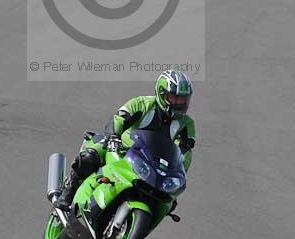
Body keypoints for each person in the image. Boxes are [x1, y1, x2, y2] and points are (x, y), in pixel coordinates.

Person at [54, 70, 196, 210]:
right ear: (161, 93)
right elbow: (118, 119)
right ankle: (69, 190)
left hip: (151, 166)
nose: (179, 103)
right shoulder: (142, 104)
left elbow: (185, 153)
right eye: (175, 98)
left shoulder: (186, 124)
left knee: (165, 203)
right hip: (122, 150)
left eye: (183, 99)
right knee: (89, 157)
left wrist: (179, 175)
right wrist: (113, 137)